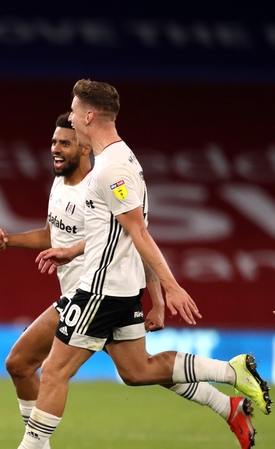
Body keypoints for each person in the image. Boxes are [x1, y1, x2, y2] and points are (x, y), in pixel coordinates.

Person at [15, 81, 271, 449]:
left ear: (89, 116)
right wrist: (72, 251)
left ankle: (33, 446)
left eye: (73, 111)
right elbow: (123, 231)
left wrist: (169, 287)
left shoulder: (111, 169)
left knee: (54, 371)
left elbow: (139, 233)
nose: (70, 116)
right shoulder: (117, 160)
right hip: (116, 288)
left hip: (100, 290)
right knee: (138, 371)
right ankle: (231, 374)